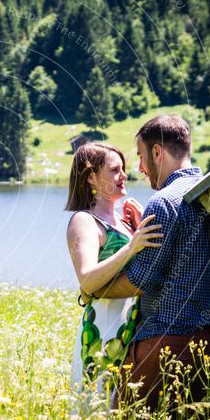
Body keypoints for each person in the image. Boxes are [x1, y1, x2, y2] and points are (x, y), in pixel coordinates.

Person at [92, 115, 210, 420]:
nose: (141, 169)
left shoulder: (164, 203)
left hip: (165, 343)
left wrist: (96, 290)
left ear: (158, 152)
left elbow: (139, 281)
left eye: (142, 158)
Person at [65, 142, 163, 401]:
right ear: (91, 177)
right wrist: (131, 246)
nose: (124, 176)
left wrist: (139, 226)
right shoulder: (83, 221)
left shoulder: (125, 221)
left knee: (125, 412)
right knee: (96, 409)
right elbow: (87, 279)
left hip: (133, 330)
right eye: (114, 170)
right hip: (103, 328)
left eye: (124, 169)